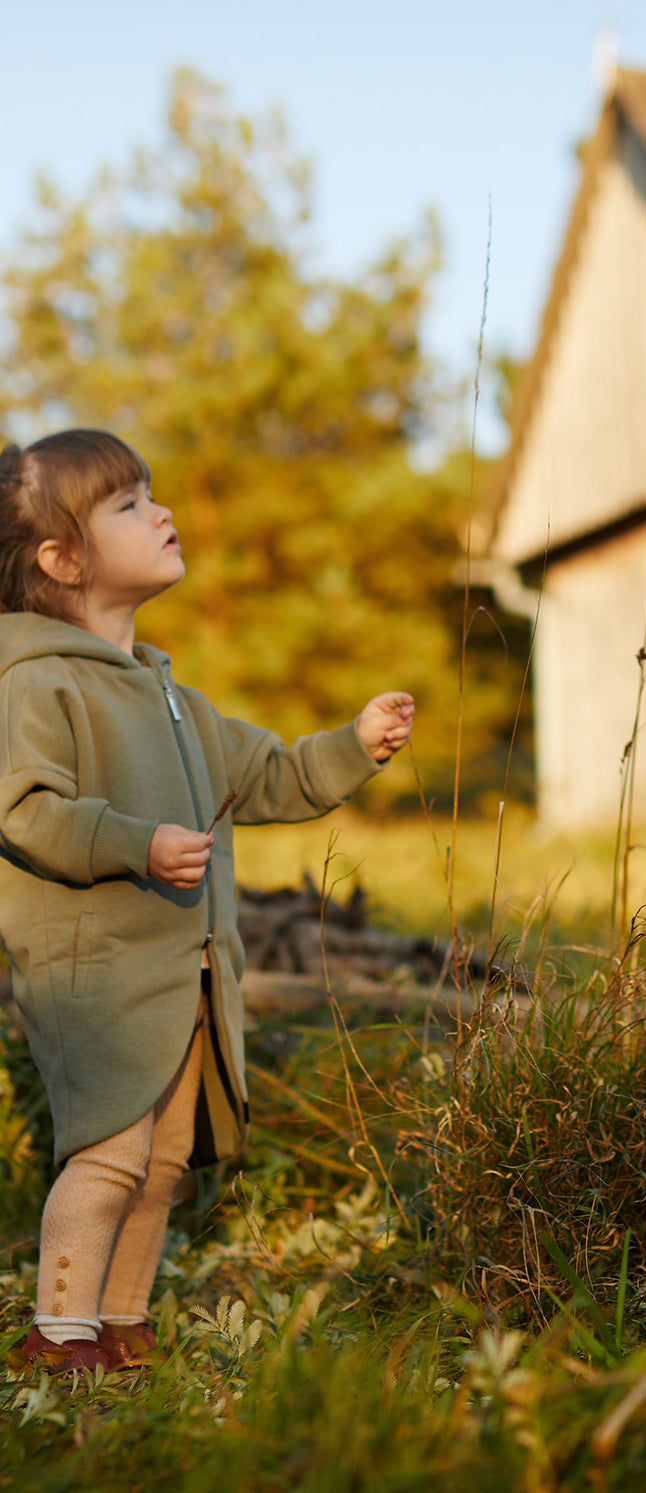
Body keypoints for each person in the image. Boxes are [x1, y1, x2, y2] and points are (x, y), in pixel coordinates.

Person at [0, 429, 414, 1375]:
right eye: (129, 505)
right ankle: (59, 1332)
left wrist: (351, 742)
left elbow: (270, 774)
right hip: (99, 979)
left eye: (153, 494)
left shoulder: (167, 692)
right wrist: (133, 840)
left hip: (185, 977)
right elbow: (24, 809)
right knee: (106, 1157)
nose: (163, 512)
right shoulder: (36, 681)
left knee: (162, 1161)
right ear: (63, 559)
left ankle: (121, 1319)